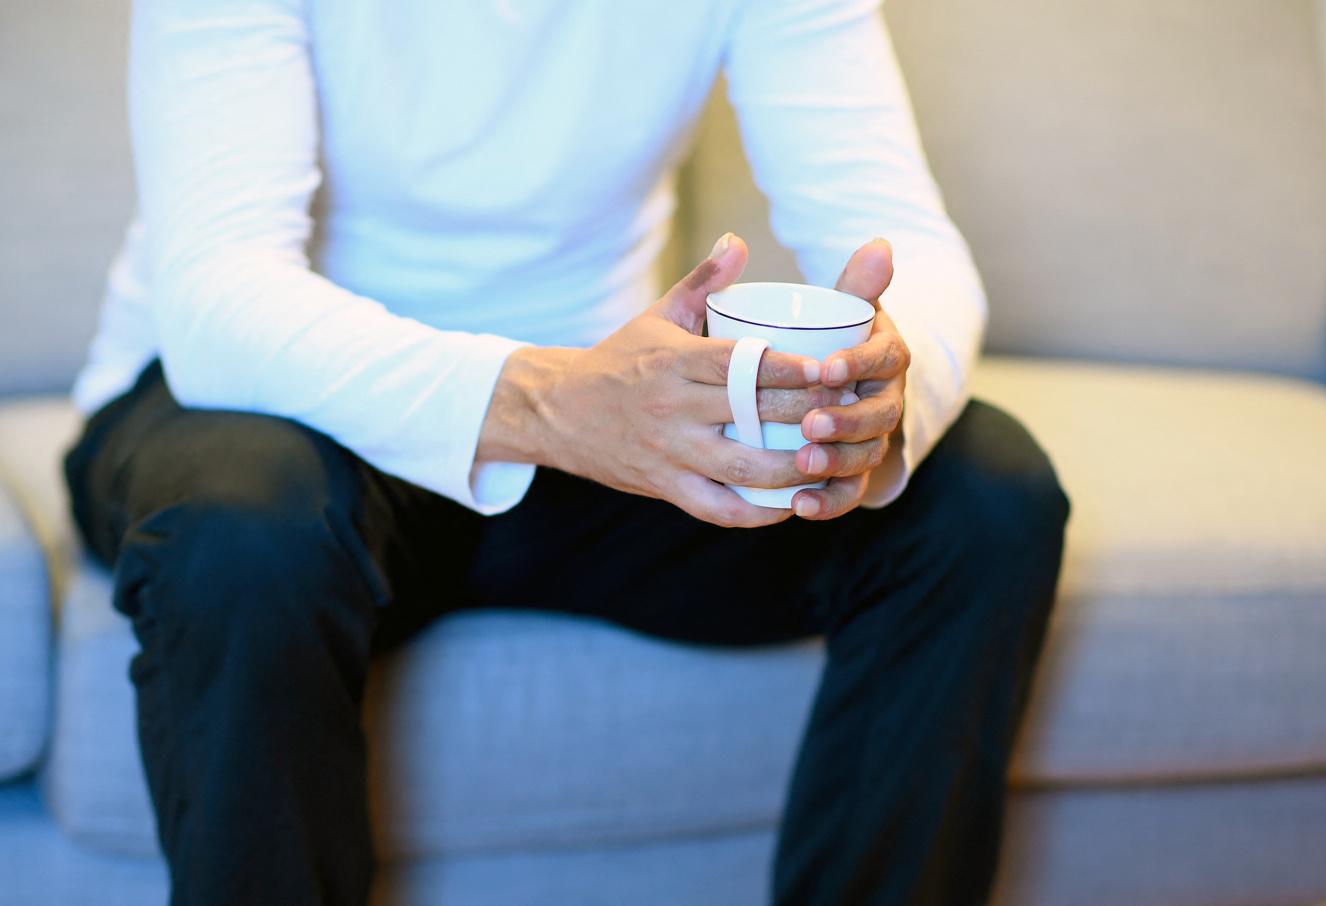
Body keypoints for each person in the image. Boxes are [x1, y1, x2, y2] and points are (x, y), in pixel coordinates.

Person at [61, 0, 1070, 903]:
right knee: (245, 538)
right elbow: (220, 300)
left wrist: (876, 387)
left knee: (984, 494)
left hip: (600, 433)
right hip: (278, 409)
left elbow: (906, 241)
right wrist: (547, 403)